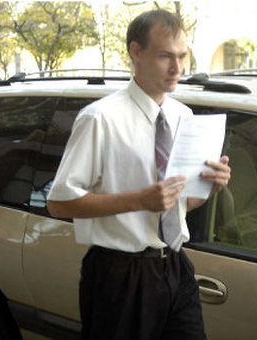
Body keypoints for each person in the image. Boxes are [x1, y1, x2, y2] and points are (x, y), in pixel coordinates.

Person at [47, 8, 231, 340]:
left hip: (174, 265)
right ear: (136, 52)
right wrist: (139, 200)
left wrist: (210, 187)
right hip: (119, 274)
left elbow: (178, 206)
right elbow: (59, 203)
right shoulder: (100, 118)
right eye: (165, 56)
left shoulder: (183, 116)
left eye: (182, 56)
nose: (178, 68)